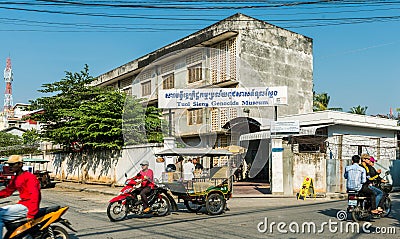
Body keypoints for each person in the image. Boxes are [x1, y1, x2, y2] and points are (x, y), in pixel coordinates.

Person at [0, 155, 41, 238]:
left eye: (12, 164)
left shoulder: (29, 177)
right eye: (9, 165)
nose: (10, 167)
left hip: (28, 206)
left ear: (20, 164)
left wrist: (31, 214)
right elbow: (7, 191)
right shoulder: (15, 178)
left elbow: (35, 195)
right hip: (22, 204)